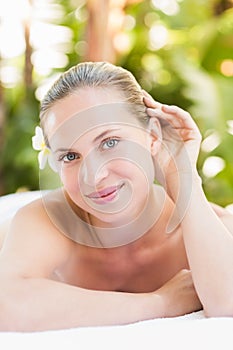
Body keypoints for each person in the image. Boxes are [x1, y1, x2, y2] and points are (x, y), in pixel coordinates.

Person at [0, 62, 232, 332]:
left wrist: (183, 176)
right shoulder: (45, 222)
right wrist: (160, 303)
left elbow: (227, 304)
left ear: (153, 135)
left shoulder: (211, 227)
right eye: (70, 156)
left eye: (109, 142)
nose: (94, 177)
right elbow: (6, 302)